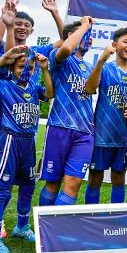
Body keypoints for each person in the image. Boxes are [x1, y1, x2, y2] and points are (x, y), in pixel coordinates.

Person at [0, 0, 62, 245]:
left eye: (25, 25)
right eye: (17, 23)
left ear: (31, 30)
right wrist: (6, 21)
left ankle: (16, 224)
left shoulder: (35, 53)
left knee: (23, 177)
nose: (21, 27)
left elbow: (64, 40)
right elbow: (0, 40)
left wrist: (54, 13)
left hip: (24, 123)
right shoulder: (6, 48)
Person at [0, 44, 53, 253]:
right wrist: (4, 58)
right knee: (2, 190)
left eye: (29, 67)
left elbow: (50, 92)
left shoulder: (34, 88)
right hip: (9, 141)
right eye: (20, 67)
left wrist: (44, 68)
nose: (25, 71)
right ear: (12, 69)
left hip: (28, 142)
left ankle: (21, 227)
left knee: (28, 186)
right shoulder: (4, 85)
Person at [37, 17, 96, 206]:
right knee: (53, 183)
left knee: (74, 183)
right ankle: (45, 229)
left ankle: (55, 232)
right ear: (72, 35)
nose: (91, 38)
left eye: (91, 35)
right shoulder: (58, 56)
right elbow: (66, 49)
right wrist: (85, 25)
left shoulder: (90, 67)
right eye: (87, 34)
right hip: (59, 127)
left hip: (84, 131)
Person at [84, 26, 127, 205]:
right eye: (126, 41)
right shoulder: (105, 68)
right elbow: (89, 89)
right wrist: (100, 62)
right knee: (95, 178)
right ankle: (91, 217)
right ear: (115, 44)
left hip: (123, 137)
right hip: (101, 135)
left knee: (119, 178)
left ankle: (116, 218)